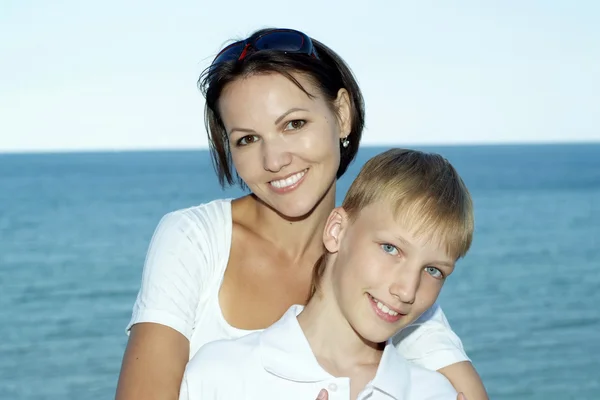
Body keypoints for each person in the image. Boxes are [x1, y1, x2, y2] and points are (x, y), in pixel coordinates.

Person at [115, 28, 488, 400]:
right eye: (247, 139)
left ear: (342, 114)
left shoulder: (381, 267)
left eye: (294, 124)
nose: (274, 160)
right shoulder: (196, 239)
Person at [178, 148, 475, 400]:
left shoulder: (434, 394)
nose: (407, 290)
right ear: (337, 231)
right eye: (390, 248)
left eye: (433, 270)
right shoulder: (219, 374)